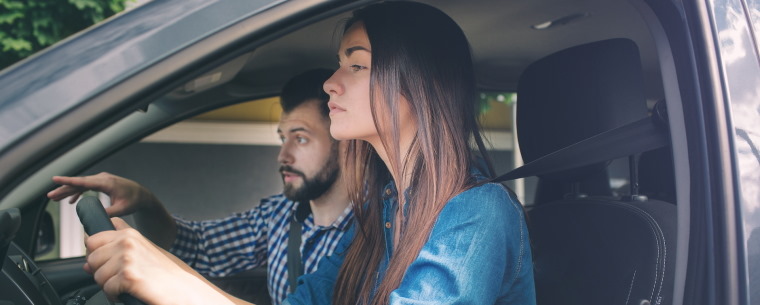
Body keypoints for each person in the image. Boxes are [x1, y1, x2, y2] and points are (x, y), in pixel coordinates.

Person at [76, 2, 536, 304]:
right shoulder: (385, 215)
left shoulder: (477, 213)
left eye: (356, 64)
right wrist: (156, 270)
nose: (331, 82)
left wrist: (174, 285)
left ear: (420, 86)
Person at [47, 69, 353, 305]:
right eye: (281, 138)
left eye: (300, 139)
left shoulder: (375, 232)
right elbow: (198, 247)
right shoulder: (279, 215)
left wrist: (171, 283)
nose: (282, 155)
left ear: (345, 144)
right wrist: (145, 201)